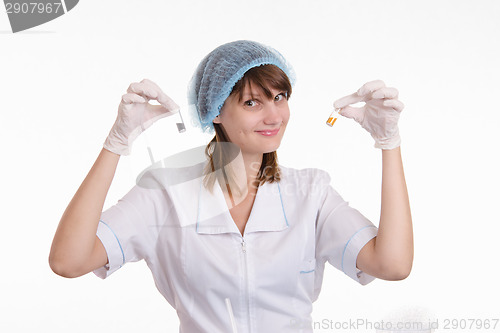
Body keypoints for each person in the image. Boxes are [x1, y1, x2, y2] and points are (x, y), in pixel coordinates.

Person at [49, 40, 413, 332]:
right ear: (216, 112)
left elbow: (393, 265)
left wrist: (389, 143)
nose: (274, 116)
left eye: (279, 97)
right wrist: (116, 143)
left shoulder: (311, 194)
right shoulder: (164, 194)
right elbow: (68, 261)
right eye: (252, 102)